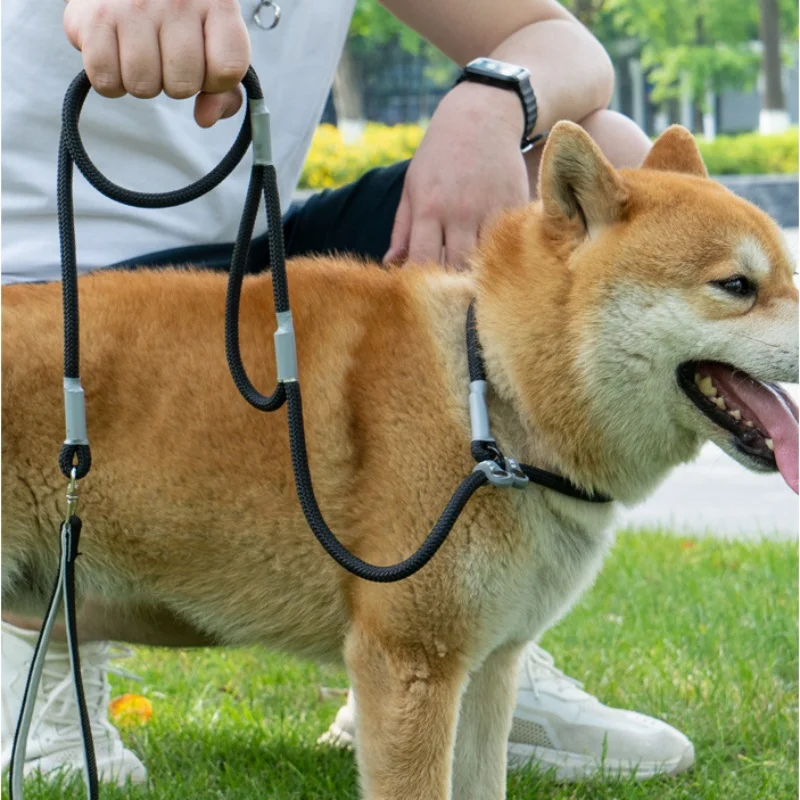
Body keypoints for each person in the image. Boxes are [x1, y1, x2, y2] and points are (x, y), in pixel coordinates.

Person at [1, 0, 694, 786]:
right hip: (32, 296)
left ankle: (466, 629)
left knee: (612, 167)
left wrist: (492, 100)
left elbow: (569, 47)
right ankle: (40, 655)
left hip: (235, 271)